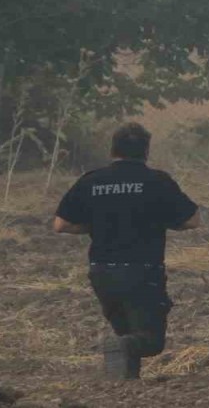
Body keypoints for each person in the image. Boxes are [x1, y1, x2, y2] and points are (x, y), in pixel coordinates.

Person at [53, 123, 200, 380]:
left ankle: (125, 389)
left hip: (102, 273)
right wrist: (162, 221)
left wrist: (94, 226)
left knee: (127, 337)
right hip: (143, 273)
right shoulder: (158, 181)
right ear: (146, 151)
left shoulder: (91, 181)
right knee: (150, 341)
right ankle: (124, 361)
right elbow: (193, 220)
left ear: (113, 150)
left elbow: (61, 225)